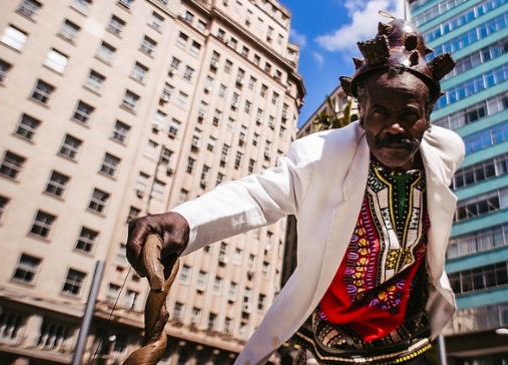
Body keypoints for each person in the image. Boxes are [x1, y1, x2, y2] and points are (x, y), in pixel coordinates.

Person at [126, 18, 462, 365]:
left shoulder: (445, 152)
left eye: (410, 114)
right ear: (361, 112)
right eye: (380, 111)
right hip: (333, 338)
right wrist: (185, 220)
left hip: (408, 335)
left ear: (428, 116)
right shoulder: (322, 155)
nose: (395, 126)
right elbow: (258, 195)